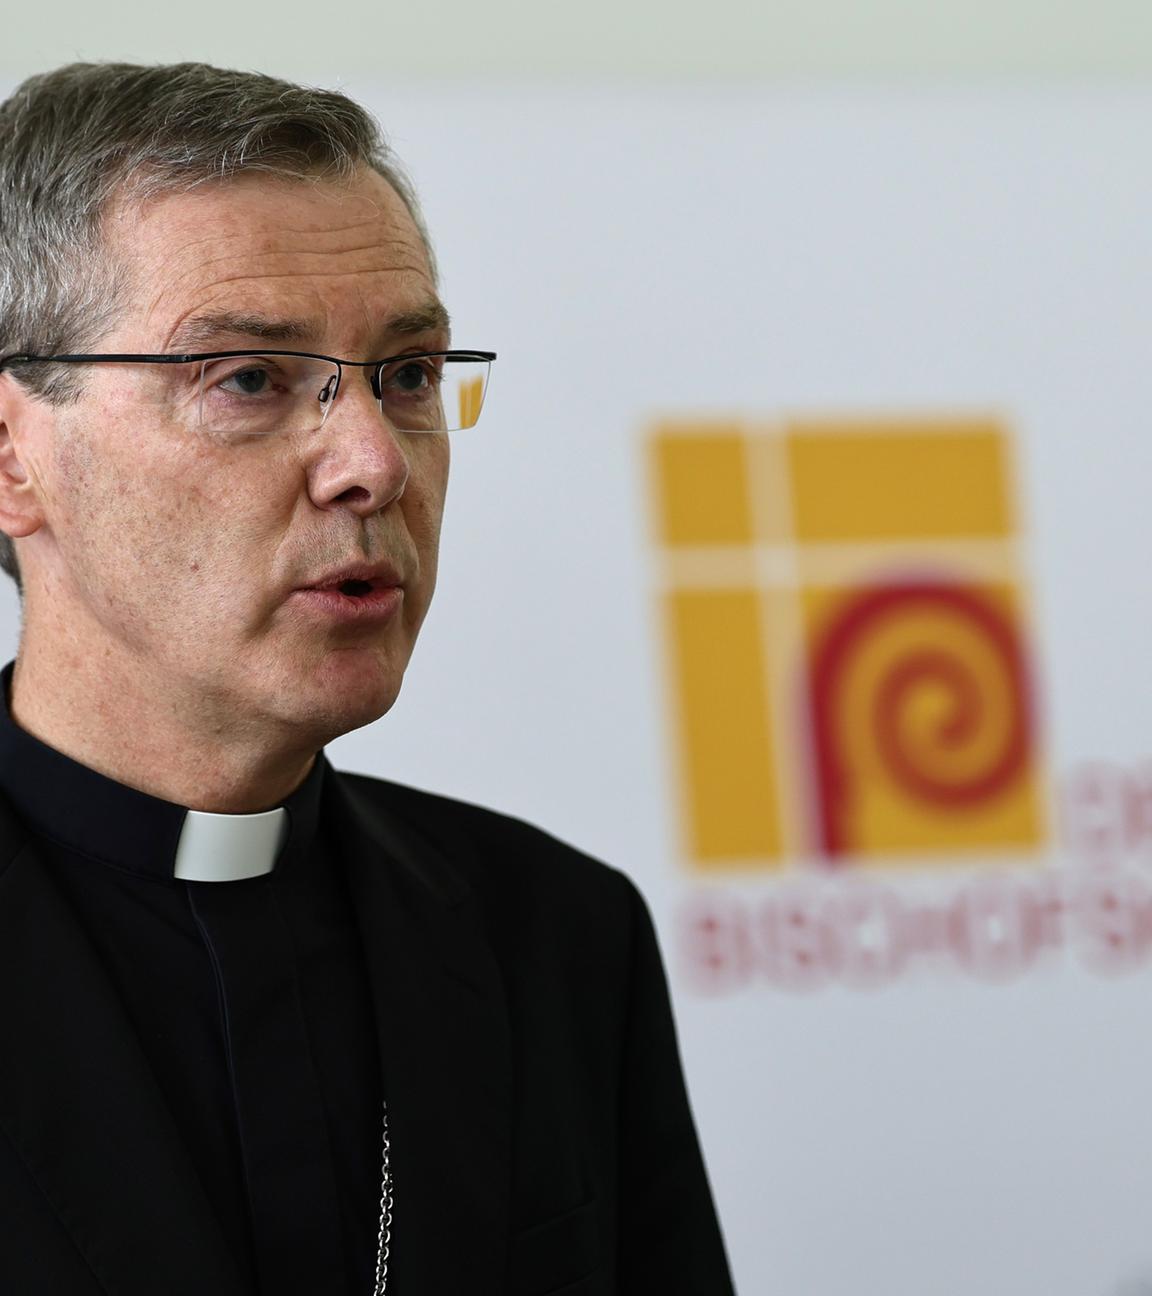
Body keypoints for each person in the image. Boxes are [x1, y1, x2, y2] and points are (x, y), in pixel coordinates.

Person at [0, 62, 735, 1296]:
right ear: (16, 459)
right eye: (248, 379)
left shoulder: (555, 935)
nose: (373, 464)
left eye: (407, 376)